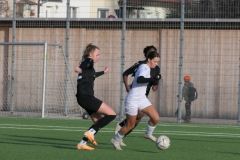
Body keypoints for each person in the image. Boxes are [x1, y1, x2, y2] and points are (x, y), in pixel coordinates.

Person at [111, 51, 161, 150]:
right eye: (155, 61)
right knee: (130, 125)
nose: (156, 64)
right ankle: (115, 139)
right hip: (133, 99)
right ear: (149, 59)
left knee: (155, 118)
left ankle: (148, 134)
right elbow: (139, 79)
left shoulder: (147, 67)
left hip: (141, 98)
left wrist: (154, 80)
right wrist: (153, 79)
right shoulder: (144, 67)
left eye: (157, 62)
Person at [76, 43, 116, 151]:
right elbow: (82, 66)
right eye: (97, 54)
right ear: (90, 54)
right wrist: (79, 68)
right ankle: (90, 133)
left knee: (98, 121)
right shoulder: (88, 61)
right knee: (112, 114)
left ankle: (82, 143)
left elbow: (92, 75)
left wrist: (104, 72)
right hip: (87, 97)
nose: (99, 57)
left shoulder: (88, 68)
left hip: (81, 98)